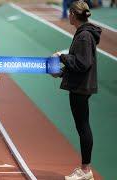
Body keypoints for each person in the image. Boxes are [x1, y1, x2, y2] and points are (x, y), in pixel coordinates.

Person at [51, 1, 101, 180]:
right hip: (81, 84)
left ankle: (85, 170)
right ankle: (85, 169)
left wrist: (61, 57)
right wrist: (63, 73)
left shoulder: (84, 36)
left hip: (81, 87)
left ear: (72, 14)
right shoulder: (83, 34)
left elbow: (82, 63)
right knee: (82, 126)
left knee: (83, 127)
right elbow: (81, 62)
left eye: (69, 13)